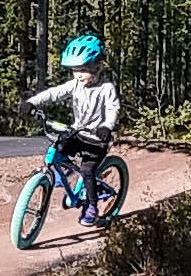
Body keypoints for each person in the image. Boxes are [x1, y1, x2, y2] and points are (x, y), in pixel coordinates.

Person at [29, 34, 123, 185]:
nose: (78, 75)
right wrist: (33, 102)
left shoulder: (106, 88)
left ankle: (92, 206)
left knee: (87, 171)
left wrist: (107, 126)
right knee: (58, 149)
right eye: (75, 70)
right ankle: (61, 176)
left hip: (97, 139)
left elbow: (113, 108)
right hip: (78, 133)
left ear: (97, 67)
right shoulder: (75, 84)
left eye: (83, 70)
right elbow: (54, 93)